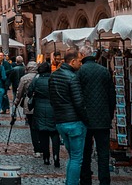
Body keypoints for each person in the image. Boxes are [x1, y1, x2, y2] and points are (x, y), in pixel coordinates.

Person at [76, 47, 115, 185]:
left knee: (85, 153)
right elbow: (112, 96)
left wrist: (80, 115)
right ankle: (104, 181)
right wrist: (109, 115)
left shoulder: (80, 72)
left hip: (85, 119)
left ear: (82, 55)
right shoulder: (104, 71)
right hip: (103, 119)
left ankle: (86, 180)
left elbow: (77, 97)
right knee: (103, 154)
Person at [50, 47, 87, 185]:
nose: (81, 64)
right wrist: (86, 119)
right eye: (79, 61)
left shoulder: (54, 76)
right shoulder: (73, 77)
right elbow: (79, 102)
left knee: (73, 157)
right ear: (72, 62)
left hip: (60, 121)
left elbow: (52, 100)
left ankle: (70, 182)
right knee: (77, 158)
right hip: (74, 122)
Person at [29, 59, 60, 166]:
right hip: (53, 109)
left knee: (43, 133)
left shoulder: (36, 80)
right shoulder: (55, 79)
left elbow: (29, 92)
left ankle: (46, 157)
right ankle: (56, 157)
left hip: (39, 109)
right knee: (54, 133)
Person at [15, 61, 41, 155]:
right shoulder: (40, 77)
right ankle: (41, 146)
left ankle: (37, 149)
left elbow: (19, 92)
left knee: (33, 128)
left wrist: (16, 102)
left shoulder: (24, 78)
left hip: (29, 103)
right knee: (40, 127)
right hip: (39, 104)